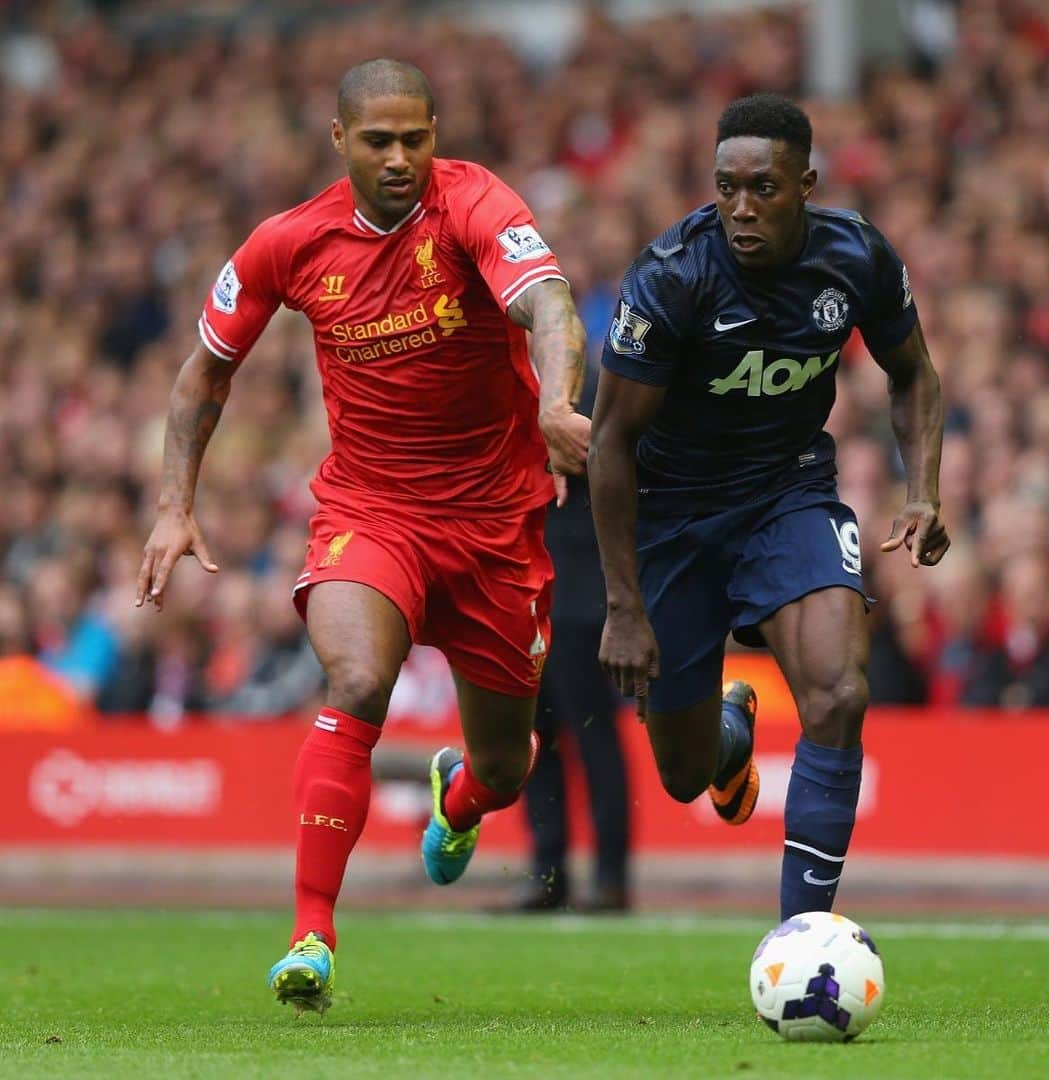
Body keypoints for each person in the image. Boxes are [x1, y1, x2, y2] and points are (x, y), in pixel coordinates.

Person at [136, 59, 590, 1014]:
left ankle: (458, 795)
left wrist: (555, 398)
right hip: (371, 511)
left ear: (436, 133)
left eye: (415, 138)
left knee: (507, 769)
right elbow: (202, 377)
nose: (400, 158)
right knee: (355, 680)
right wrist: (176, 503)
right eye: (379, 141)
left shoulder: (475, 206)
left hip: (497, 522)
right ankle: (312, 933)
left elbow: (547, 301)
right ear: (339, 140)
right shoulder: (286, 244)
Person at [588, 93, 949, 922]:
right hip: (674, 514)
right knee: (682, 775)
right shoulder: (671, 275)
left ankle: (805, 933)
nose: (742, 208)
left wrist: (923, 491)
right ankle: (726, 734)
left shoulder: (855, 257)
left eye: (764, 188)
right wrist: (622, 605)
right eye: (727, 188)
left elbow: (914, 374)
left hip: (788, 493)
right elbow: (610, 444)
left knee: (839, 695)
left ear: (805, 184)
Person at [512, 356, 631, 913]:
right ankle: (549, 871)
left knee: (591, 738)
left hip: (581, 595)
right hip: (528, 593)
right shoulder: (520, 386)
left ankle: (608, 875)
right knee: (535, 742)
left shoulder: (589, 388)